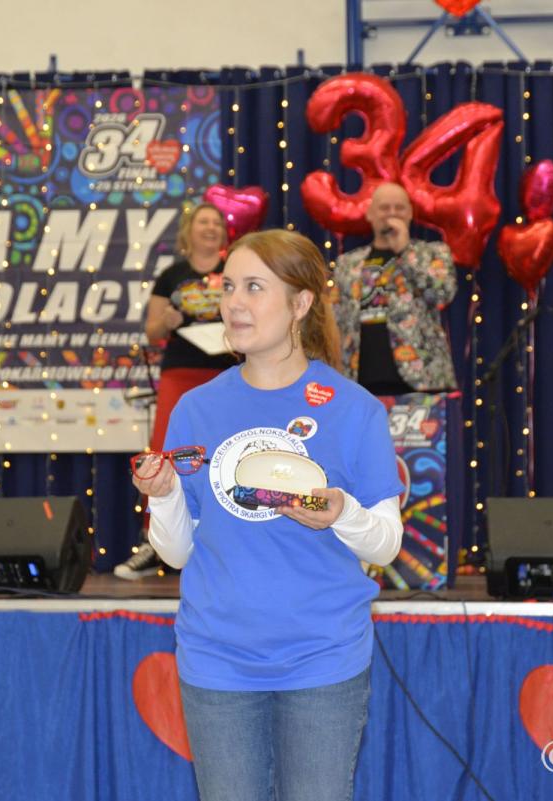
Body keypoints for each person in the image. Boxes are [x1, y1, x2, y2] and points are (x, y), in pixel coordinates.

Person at [131, 229, 404, 801]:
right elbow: (176, 553)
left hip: (323, 660)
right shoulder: (195, 408)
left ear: (300, 303)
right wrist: (165, 495)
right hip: (217, 662)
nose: (234, 302)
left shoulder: (354, 409)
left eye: (254, 287)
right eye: (229, 286)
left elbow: (384, 544)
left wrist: (342, 513)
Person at [114, 202, 236, 580]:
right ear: (189, 231)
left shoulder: (233, 271)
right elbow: (152, 332)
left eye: (217, 222)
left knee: (228, 451)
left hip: (228, 374)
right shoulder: (172, 276)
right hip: (181, 372)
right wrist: (166, 321)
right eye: (203, 222)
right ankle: (154, 542)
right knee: (164, 451)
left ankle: (227, 538)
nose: (211, 228)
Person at [332, 181, 459, 395]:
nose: (392, 213)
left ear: (410, 213)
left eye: (399, 207)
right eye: (384, 207)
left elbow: (442, 293)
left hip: (422, 378)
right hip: (360, 380)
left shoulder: (433, 253)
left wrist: (404, 250)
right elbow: (335, 318)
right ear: (370, 214)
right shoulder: (347, 263)